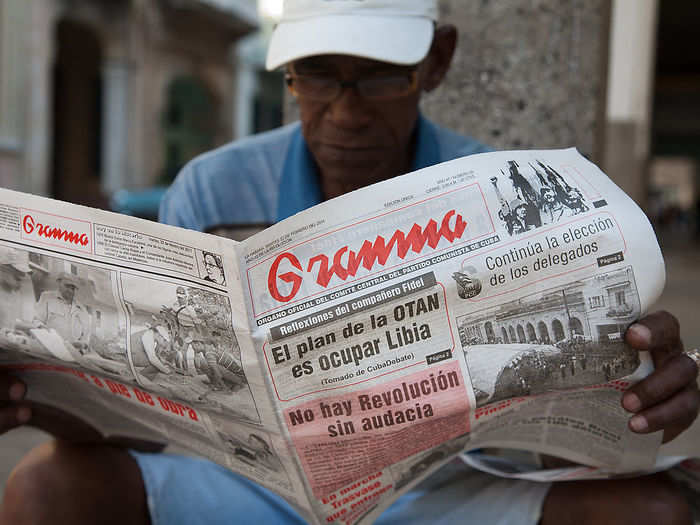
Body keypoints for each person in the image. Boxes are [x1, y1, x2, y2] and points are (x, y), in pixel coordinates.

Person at [1, 1, 698, 524]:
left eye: (380, 79)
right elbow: (153, 434)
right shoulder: (212, 191)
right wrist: (47, 392)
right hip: (253, 491)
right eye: (317, 77)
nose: (346, 113)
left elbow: (560, 446)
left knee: (654, 509)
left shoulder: (500, 191)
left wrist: (638, 393)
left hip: (439, 493)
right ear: (289, 75)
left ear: (438, 62)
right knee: (45, 489)